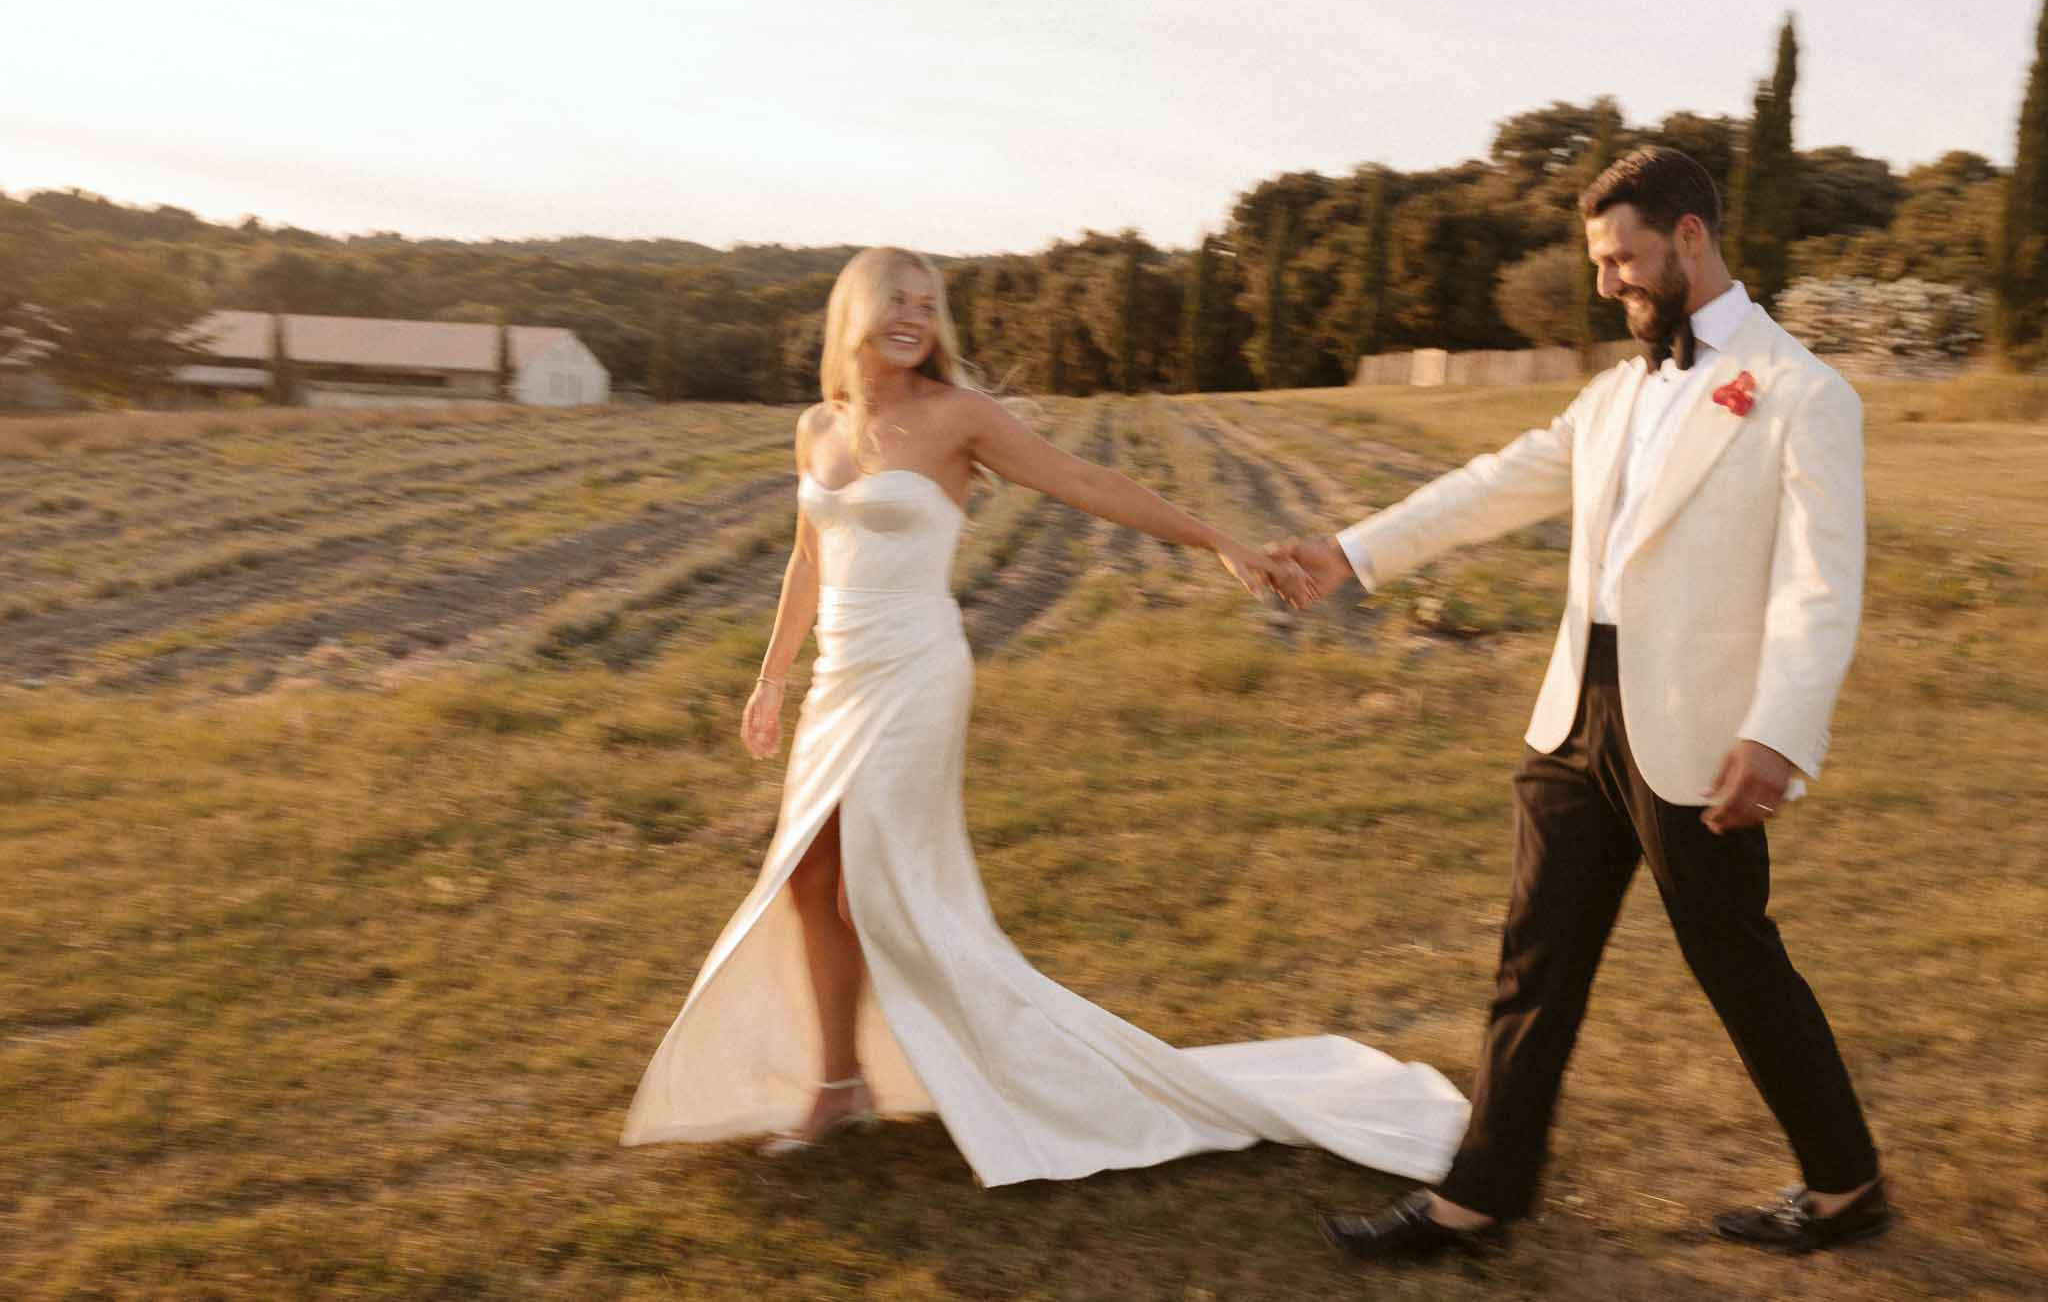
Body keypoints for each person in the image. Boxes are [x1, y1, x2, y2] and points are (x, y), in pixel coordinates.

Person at [620, 246, 1469, 1188]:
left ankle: (1017, 1067)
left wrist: (1218, 539)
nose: (914, 318)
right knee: (809, 880)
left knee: (884, 887)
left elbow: (1091, 484)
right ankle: (840, 1080)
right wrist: (771, 677)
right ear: (851, 310)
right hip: (837, 681)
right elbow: (807, 560)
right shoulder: (816, 425)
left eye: (927, 305)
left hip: (915, 675)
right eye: (895, 301)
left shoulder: (958, 419)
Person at [1274, 147, 1886, 1260]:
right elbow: (1492, 484)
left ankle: (1845, 1186)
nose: (1607, 282)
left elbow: (1818, 584)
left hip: (1698, 729)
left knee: (1733, 961)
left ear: (1689, 239)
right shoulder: (1612, 393)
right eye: (1599, 262)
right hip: (1571, 717)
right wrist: (1349, 554)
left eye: (1622, 259)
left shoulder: (1802, 392)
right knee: (1532, 962)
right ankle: (1478, 1202)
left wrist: (1778, 731)